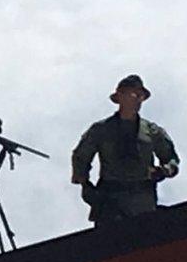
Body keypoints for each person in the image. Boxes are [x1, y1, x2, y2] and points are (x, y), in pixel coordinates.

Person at [70, 75, 180, 226]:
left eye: (140, 96)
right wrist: (85, 184)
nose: (137, 99)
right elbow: (80, 156)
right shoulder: (101, 130)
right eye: (133, 94)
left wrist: (164, 170)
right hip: (110, 201)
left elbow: (171, 160)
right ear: (120, 96)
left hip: (143, 201)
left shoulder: (152, 131)